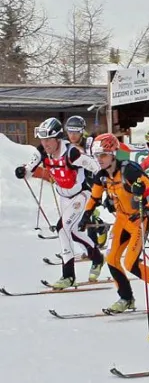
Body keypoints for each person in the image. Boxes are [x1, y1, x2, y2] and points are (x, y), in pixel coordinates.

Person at [15, 117, 105, 289]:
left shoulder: (71, 152)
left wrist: (102, 182)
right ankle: (97, 258)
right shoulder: (42, 151)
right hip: (64, 196)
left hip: (81, 194)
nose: (45, 143)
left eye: (49, 139)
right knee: (72, 232)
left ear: (57, 138)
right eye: (43, 139)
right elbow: (29, 169)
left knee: (62, 228)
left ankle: (68, 275)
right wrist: (22, 171)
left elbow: (93, 165)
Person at [83, 133, 149, 314]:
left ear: (113, 153)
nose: (100, 160)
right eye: (97, 156)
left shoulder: (130, 170)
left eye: (103, 155)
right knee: (111, 259)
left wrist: (144, 206)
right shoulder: (102, 175)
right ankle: (126, 298)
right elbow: (94, 197)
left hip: (138, 220)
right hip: (122, 219)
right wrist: (86, 215)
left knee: (130, 263)